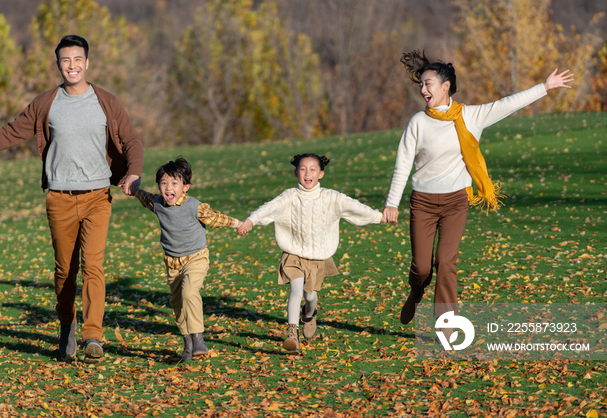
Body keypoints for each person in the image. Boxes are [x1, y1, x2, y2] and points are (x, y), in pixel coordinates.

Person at [0, 35, 144, 363]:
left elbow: (131, 139)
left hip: (97, 197)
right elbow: (11, 131)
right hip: (59, 199)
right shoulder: (46, 103)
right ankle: (68, 327)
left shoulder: (106, 101)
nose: (72, 66)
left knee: (93, 265)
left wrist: (133, 172)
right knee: (65, 272)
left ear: (88, 63)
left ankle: (93, 335)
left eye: (78, 59)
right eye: (66, 60)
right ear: (58, 65)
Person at [383, 49, 573, 325]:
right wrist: (391, 202)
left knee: (446, 263)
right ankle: (416, 292)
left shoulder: (471, 116)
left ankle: (446, 324)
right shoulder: (418, 122)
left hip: (456, 202)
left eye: (429, 83)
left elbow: (506, 104)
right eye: (421, 84)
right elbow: (402, 164)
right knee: (422, 268)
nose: (423, 89)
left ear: (445, 86)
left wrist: (544, 87)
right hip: (423, 202)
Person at [237, 153, 383, 353]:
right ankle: (292, 334)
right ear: (296, 172)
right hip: (293, 253)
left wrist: (380, 217)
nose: (307, 173)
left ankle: (310, 312)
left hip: (318, 256)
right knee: (296, 291)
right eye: (303, 169)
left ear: (321, 174)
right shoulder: (289, 196)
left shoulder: (332, 198)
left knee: (310, 295)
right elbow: (268, 208)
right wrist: (251, 220)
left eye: (313, 169)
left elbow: (355, 207)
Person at [134, 157, 241, 361]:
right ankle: (188, 342)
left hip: (196, 257)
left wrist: (238, 223)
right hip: (172, 262)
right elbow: (144, 196)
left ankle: (199, 339)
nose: (168, 188)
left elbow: (215, 218)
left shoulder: (195, 206)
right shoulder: (158, 203)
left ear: (186, 187)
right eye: (163, 183)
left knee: (190, 291)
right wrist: (133, 188)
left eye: (174, 183)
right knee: (177, 303)